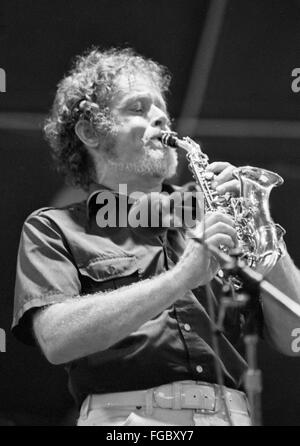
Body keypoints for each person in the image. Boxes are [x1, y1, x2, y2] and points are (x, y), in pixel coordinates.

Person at [12, 47, 300, 426]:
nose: (160, 117)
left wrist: (261, 229)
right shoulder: (54, 227)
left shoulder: (209, 213)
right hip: (124, 422)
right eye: (138, 107)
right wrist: (182, 277)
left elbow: (294, 336)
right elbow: (56, 340)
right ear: (90, 131)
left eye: (162, 109)